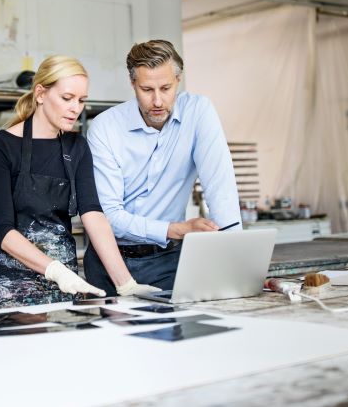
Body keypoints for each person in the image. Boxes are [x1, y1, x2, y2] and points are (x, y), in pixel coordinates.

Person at [0, 55, 159, 310]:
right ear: (40, 93)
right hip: (8, 284)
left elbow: (93, 215)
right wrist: (55, 270)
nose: (76, 108)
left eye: (82, 100)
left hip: (65, 286)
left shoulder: (77, 147)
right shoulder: (1, 146)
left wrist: (125, 283)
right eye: (67, 98)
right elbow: (2, 231)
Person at [84, 40, 241, 295]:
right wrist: (177, 229)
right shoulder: (104, 128)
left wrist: (236, 262)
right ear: (132, 83)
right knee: (111, 334)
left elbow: (220, 188)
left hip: (168, 262)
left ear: (178, 80)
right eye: (147, 89)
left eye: (166, 88)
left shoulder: (199, 112)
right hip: (109, 262)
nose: (157, 101)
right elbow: (108, 216)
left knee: (173, 331)